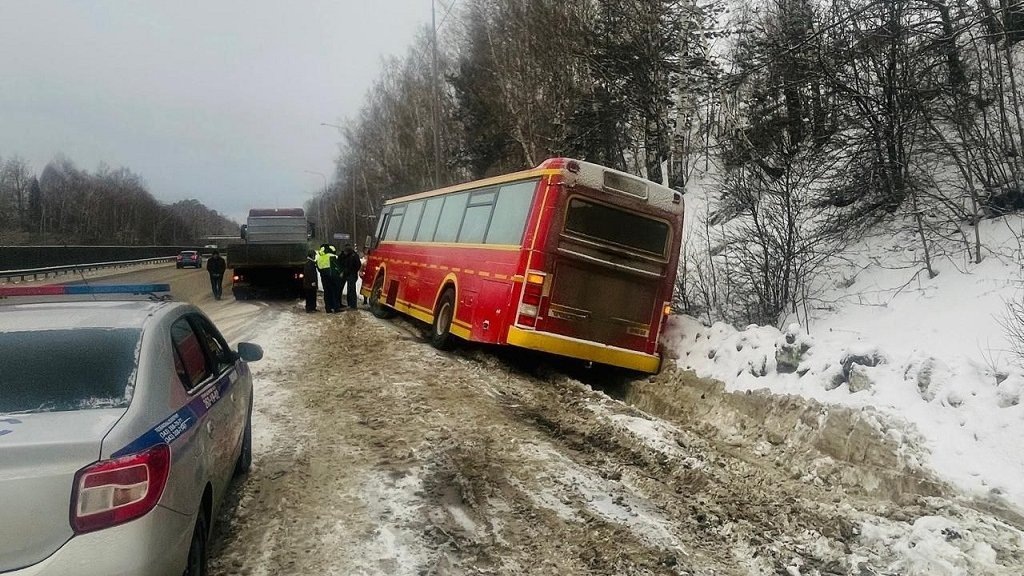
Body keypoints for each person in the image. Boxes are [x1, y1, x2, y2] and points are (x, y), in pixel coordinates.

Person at [316, 244, 341, 312]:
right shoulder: (332, 256)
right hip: (332, 277)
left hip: (324, 278)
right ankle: (336, 307)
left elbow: (318, 268)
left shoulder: (319, 258)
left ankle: (328, 308)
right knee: (334, 292)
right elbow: (338, 267)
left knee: (326, 293)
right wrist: (340, 273)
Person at [340, 243, 362, 310]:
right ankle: (350, 304)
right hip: (346, 273)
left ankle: (352, 305)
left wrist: (352, 271)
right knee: (346, 289)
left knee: (351, 290)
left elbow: (358, 265)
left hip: (351, 274)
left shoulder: (354, 255)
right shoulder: (350, 255)